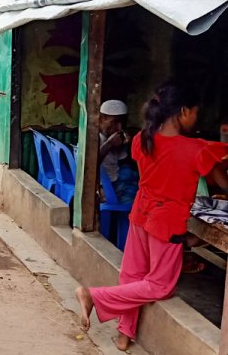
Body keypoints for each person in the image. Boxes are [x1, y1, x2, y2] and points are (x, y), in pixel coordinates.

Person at [76, 81, 228, 351]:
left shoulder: (140, 141)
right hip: (166, 223)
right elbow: (221, 179)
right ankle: (93, 296)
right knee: (160, 286)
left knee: (133, 276)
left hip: (140, 215)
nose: (196, 117)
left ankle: (124, 335)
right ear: (183, 112)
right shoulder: (196, 149)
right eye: (195, 112)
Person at [99, 99, 139, 204]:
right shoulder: (92, 139)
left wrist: (128, 145)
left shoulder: (116, 137)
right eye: (114, 122)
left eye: (122, 122)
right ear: (101, 119)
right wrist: (109, 144)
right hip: (106, 187)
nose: (119, 127)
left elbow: (124, 163)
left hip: (119, 181)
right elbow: (88, 165)